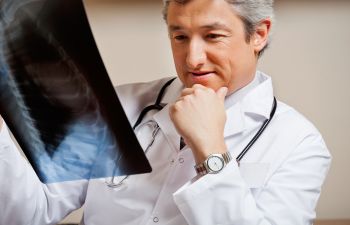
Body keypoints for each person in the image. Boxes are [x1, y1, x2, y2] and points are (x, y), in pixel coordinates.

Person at [0, 0, 331, 224]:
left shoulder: (299, 143)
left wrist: (211, 151)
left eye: (212, 36)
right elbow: (31, 212)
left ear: (259, 34)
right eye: (180, 36)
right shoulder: (120, 105)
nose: (192, 59)